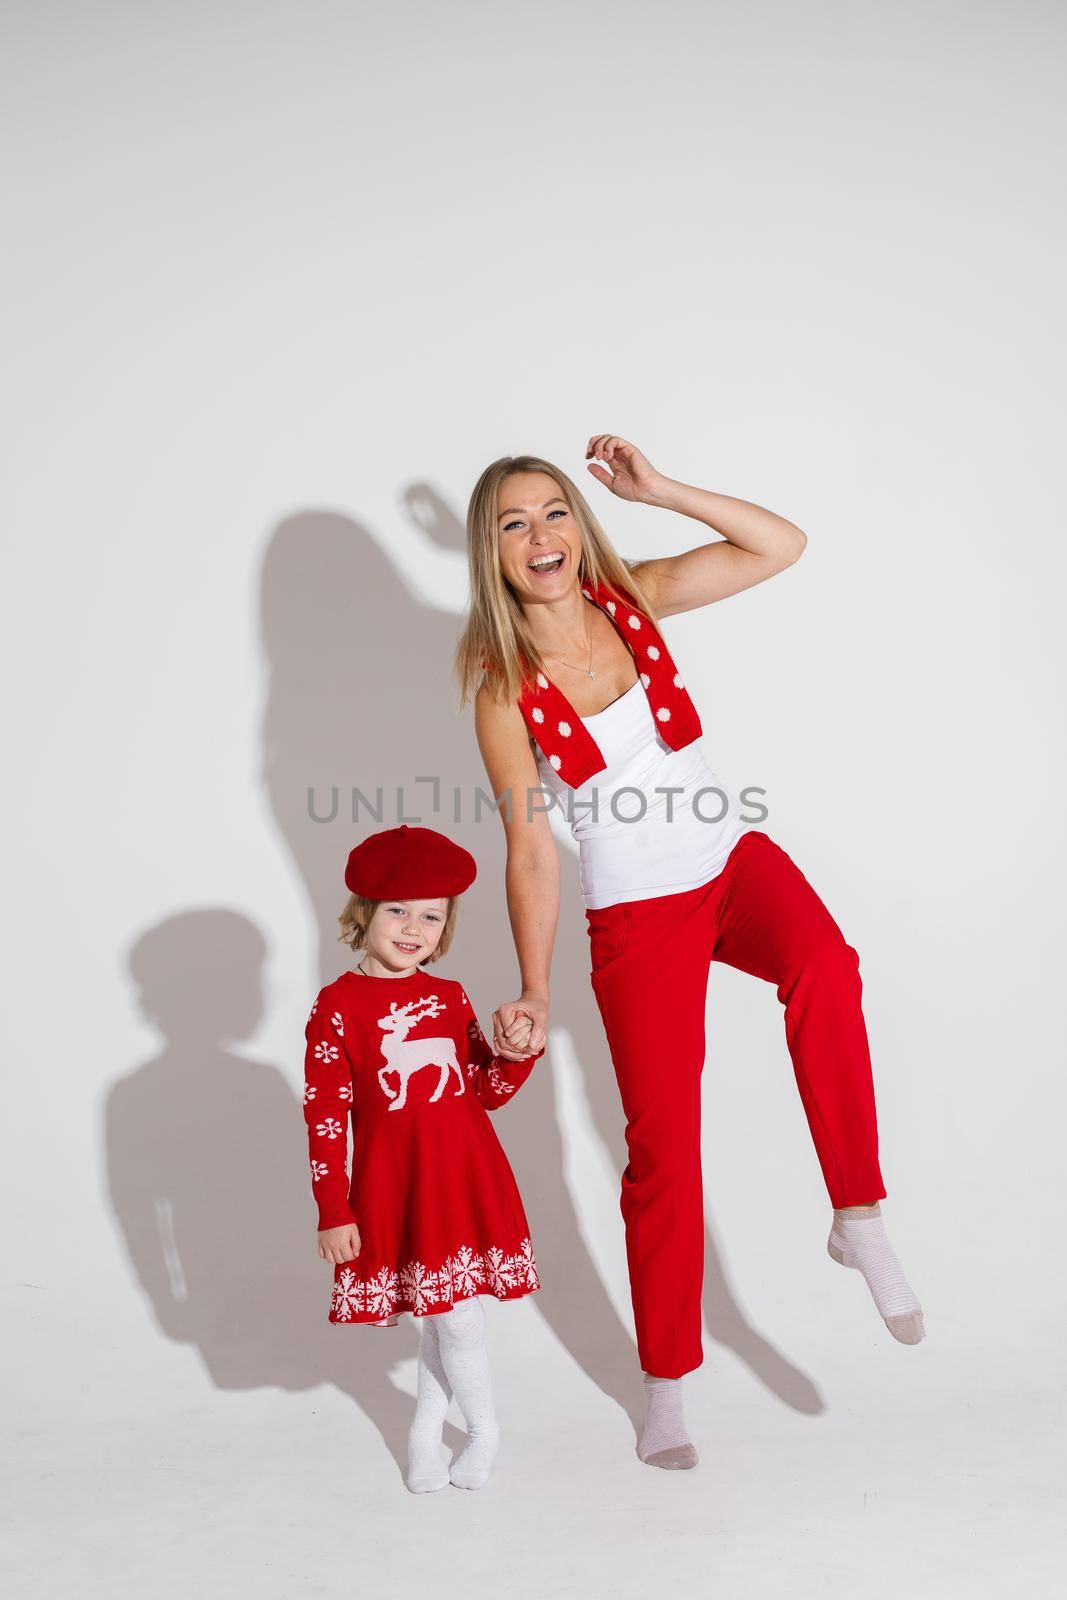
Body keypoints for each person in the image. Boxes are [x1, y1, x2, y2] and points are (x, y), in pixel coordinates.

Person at [456, 435, 924, 1472]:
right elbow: (529, 847)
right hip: (636, 917)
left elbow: (778, 545)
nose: (541, 535)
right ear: (490, 554)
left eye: (555, 512)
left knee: (825, 966)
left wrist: (660, 489)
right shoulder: (500, 683)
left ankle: (857, 1214)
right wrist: (533, 987)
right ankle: (665, 1384)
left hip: (730, 864)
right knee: (663, 1152)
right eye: (514, 523)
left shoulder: (636, 596)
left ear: (581, 524)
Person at [301, 823, 543, 1492]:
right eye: (397, 910)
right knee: (441, 1315)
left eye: (431, 915)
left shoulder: (449, 996)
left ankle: (475, 1432)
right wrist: (333, 1208)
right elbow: (324, 1113)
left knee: (452, 1314)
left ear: (446, 925)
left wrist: (516, 1053)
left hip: (464, 1176)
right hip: (395, 1184)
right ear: (364, 914)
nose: (414, 927)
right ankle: (428, 1436)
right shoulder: (337, 1008)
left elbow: (484, 1091)